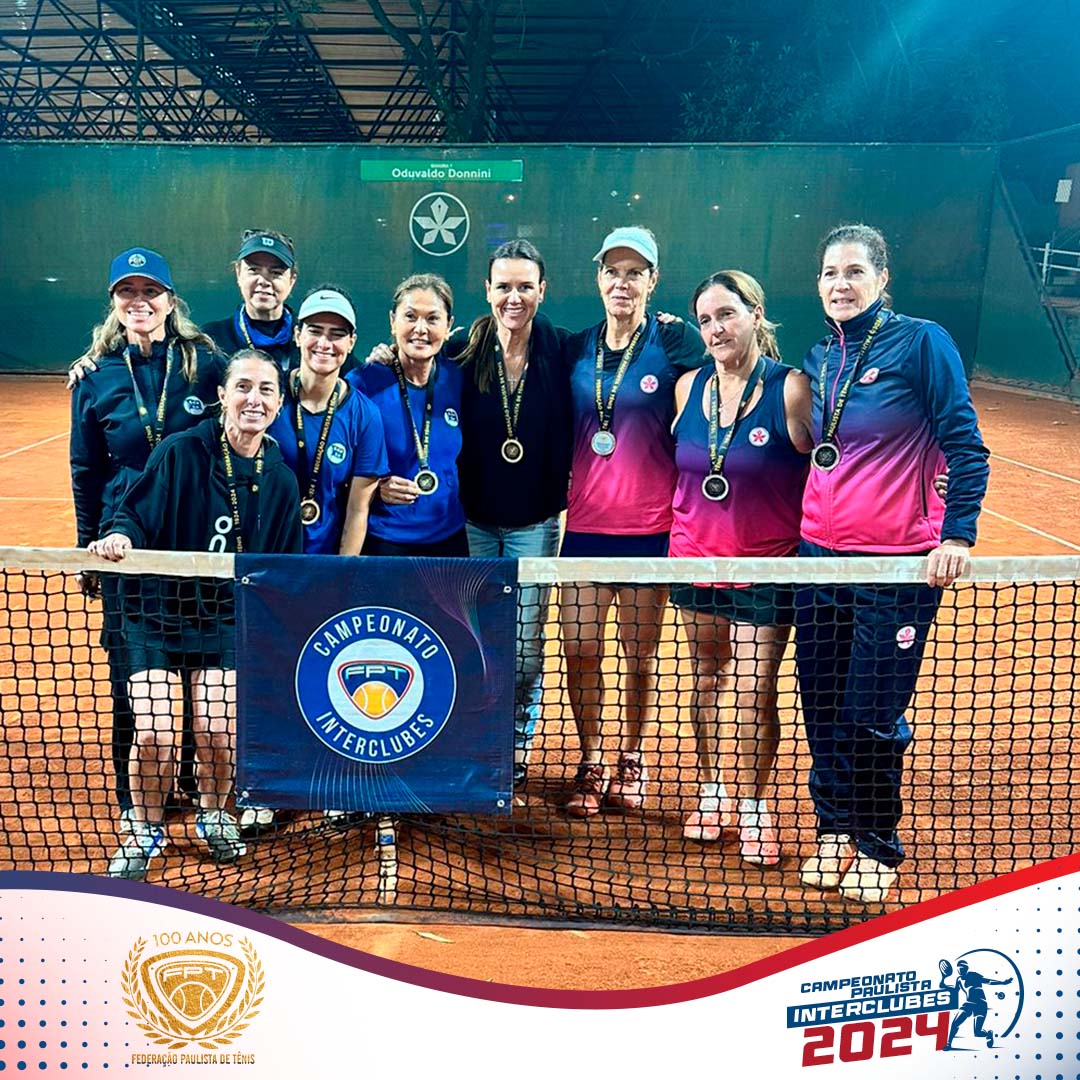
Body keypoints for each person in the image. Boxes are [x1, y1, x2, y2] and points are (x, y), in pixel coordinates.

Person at [795, 223, 989, 903]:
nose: (840, 284)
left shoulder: (922, 342)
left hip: (896, 567)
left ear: (882, 278)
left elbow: (966, 444)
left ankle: (876, 842)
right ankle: (833, 831)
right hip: (818, 561)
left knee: (873, 712)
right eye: (829, 272)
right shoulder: (821, 356)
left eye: (854, 271)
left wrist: (956, 535)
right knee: (822, 706)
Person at [89, 349, 302, 879]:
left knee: (218, 727)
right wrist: (120, 537)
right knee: (156, 733)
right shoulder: (181, 451)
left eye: (266, 390)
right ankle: (144, 829)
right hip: (154, 612)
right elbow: (133, 515)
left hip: (224, 619)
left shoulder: (280, 478)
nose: (254, 399)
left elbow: (282, 568)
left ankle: (214, 815)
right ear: (222, 395)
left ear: (279, 403)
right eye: (243, 387)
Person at [69, 246, 224, 842]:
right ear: (114, 302)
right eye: (127, 292)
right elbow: (86, 470)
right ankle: (134, 800)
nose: (139, 302)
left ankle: (188, 782)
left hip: (190, 536)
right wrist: (87, 547)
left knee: (195, 665)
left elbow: (256, 391)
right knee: (133, 672)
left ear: (170, 299)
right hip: (123, 542)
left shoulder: (203, 363)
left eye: (150, 291)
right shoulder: (95, 376)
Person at [560, 226, 708, 817]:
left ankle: (632, 756)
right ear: (598, 279)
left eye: (635, 273)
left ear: (653, 281)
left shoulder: (675, 343)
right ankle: (592, 758)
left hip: (650, 529)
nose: (622, 283)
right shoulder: (575, 347)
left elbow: (734, 374)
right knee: (580, 649)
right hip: (585, 528)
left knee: (638, 654)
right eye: (613, 272)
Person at [669, 270, 813, 864]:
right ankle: (712, 792)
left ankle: (754, 807)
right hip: (693, 559)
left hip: (767, 566)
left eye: (726, 314)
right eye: (705, 319)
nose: (715, 328)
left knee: (755, 689)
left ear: (755, 313)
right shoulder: (687, 388)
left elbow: (843, 457)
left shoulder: (792, 389)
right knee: (704, 678)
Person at [241, 286, 387, 838]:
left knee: (327, 678)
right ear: (297, 335)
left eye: (337, 333)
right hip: (268, 568)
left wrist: (342, 574)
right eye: (315, 330)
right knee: (268, 677)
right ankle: (268, 787)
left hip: (325, 567)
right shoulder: (269, 395)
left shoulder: (362, 413)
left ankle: (332, 786)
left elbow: (357, 507)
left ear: (351, 342)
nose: (325, 343)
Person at [453, 240, 573, 787]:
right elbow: (412, 362)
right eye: (503, 286)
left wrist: (671, 331)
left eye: (525, 286)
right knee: (472, 639)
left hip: (535, 525)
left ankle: (516, 744)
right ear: (487, 290)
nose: (514, 297)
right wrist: (382, 357)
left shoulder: (563, 349)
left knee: (524, 648)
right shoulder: (463, 348)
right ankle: (474, 738)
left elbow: (624, 345)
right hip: (473, 523)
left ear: (542, 290)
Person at [348, 273, 468, 556]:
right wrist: (374, 488)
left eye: (433, 319)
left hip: (450, 539)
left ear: (449, 326)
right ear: (393, 321)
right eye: (410, 316)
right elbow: (334, 467)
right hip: (384, 540)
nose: (420, 329)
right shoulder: (362, 384)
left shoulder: (459, 378)